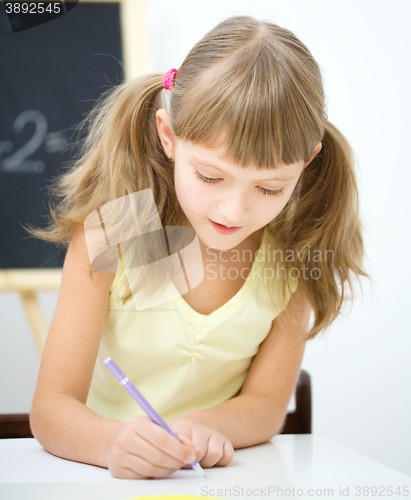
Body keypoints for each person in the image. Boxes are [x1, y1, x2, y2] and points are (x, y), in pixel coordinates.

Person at [26, 16, 370, 480]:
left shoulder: (294, 258)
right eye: (210, 177)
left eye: (269, 189)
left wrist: (198, 429)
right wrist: (114, 444)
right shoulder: (112, 236)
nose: (234, 210)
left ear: (307, 161)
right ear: (169, 136)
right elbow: (51, 407)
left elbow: (267, 404)